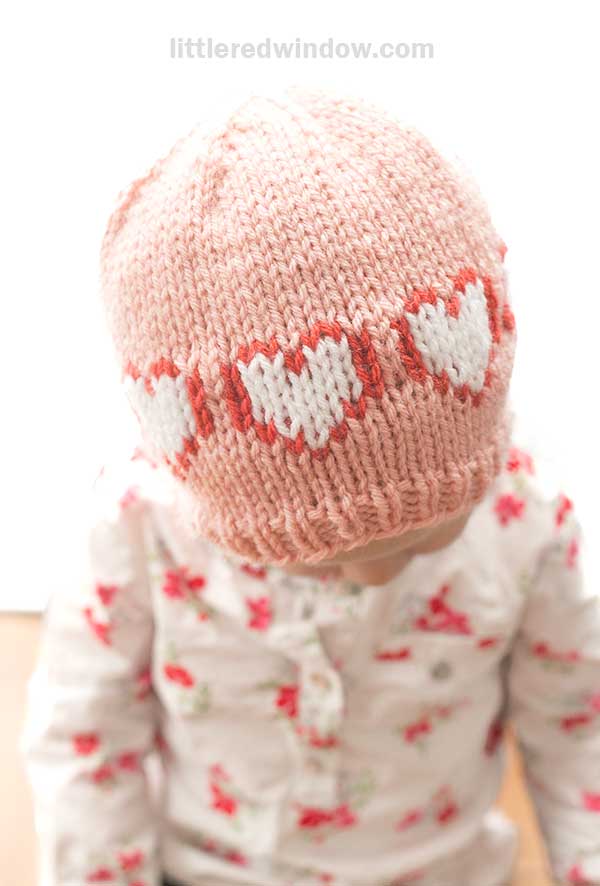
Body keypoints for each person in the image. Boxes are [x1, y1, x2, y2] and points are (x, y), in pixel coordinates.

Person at [20, 88, 600, 886]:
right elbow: (85, 736)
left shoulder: (527, 513)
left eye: (431, 534)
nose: (374, 578)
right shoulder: (134, 525)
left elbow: (579, 730)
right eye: (318, 557)